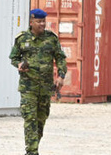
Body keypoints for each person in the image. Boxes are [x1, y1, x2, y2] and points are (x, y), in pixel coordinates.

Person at [9, 8, 67, 155]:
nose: (42, 24)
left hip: (46, 87)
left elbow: (60, 57)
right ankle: (32, 152)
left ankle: (33, 147)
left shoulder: (51, 39)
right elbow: (13, 58)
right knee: (30, 119)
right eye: (39, 21)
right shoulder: (22, 38)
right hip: (28, 87)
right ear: (31, 22)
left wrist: (61, 76)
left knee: (41, 120)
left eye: (43, 21)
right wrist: (19, 65)